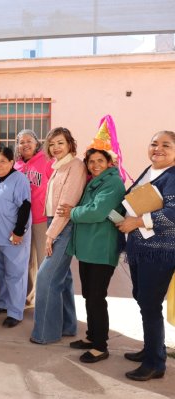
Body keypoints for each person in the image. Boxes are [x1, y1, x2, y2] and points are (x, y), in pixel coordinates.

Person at [116, 131, 175, 381]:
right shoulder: (149, 171)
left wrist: (138, 221)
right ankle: (152, 348)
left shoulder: (172, 176)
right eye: (153, 143)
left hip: (160, 252)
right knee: (142, 299)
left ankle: (155, 364)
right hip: (141, 249)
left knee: (150, 305)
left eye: (166, 145)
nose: (157, 149)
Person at [61, 148, 125, 363]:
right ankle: (92, 337)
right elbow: (92, 208)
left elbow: (96, 211)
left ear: (109, 162)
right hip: (89, 248)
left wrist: (72, 212)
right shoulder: (96, 180)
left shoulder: (113, 183)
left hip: (101, 248)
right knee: (89, 295)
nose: (95, 165)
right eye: (91, 161)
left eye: (100, 160)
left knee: (97, 297)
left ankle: (100, 346)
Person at [30, 127, 87, 344]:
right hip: (53, 221)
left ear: (70, 144)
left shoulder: (76, 165)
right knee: (63, 277)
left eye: (60, 143)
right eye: (52, 144)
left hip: (64, 225)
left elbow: (67, 204)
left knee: (45, 278)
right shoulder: (57, 166)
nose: (55, 148)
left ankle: (45, 333)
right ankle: (68, 325)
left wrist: (50, 235)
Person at [0, 146, 32, 328]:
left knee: (15, 275)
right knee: (1, 273)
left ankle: (15, 311)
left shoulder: (19, 179)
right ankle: (2, 303)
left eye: (2, 161)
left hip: (13, 237)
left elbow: (25, 206)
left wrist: (19, 231)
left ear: (12, 162)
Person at [14, 129, 54, 307]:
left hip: (40, 219)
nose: (25, 145)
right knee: (27, 260)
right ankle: (28, 297)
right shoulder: (16, 166)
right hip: (22, 221)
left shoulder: (46, 161)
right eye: (21, 142)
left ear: (37, 143)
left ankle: (44, 298)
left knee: (44, 260)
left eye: (29, 141)